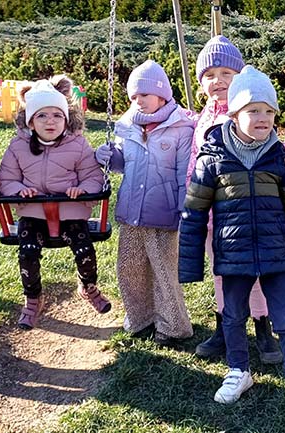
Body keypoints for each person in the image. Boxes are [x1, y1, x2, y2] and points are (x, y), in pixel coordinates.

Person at [179, 66, 285, 424]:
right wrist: (189, 266)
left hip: (277, 257)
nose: (263, 118)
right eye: (254, 110)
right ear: (234, 113)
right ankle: (239, 371)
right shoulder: (213, 158)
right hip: (233, 255)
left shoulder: (280, 158)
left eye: (269, 111)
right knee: (232, 316)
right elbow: (194, 213)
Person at [190, 36, 285, 362]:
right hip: (215, 217)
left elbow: (277, 149)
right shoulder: (200, 118)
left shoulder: (249, 110)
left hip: (250, 213)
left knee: (257, 276)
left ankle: (262, 326)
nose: (218, 81)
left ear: (239, 78)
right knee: (222, 274)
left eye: (226, 73)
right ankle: (224, 326)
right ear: (200, 82)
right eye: (209, 75)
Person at [0, 75, 111, 330]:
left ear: (66, 119)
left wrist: (82, 189)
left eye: (57, 115)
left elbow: (93, 177)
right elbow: (6, 180)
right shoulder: (18, 147)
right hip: (33, 213)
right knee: (27, 252)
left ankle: (88, 286)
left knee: (84, 250)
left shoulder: (78, 145)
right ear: (30, 121)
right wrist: (20, 190)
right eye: (42, 116)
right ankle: (33, 298)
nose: (50, 121)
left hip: (71, 212)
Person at [95, 60, 194, 346]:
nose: (138, 101)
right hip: (131, 211)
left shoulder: (180, 127)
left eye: (145, 95)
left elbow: (183, 174)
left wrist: (184, 208)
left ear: (162, 95)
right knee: (129, 267)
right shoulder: (128, 125)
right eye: (134, 96)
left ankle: (173, 325)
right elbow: (123, 163)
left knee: (163, 270)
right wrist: (108, 157)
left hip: (164, 212)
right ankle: (140, 317)